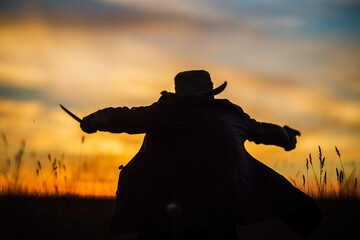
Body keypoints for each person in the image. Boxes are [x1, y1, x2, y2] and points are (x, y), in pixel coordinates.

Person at [80, 70, 322, 240]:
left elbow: (128, 117)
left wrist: (94, 120)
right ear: (211, 93)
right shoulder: (232, 114)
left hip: (175, 207)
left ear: (178, 93)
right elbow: (266, 131)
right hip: (222, 207)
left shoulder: (170, 110)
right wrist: (288, 136)